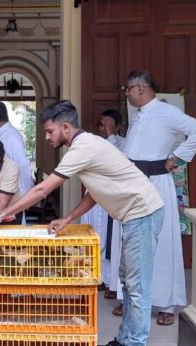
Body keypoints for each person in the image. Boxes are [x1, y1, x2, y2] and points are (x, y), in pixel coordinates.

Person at [0, 100, 164, 346]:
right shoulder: (88, 145)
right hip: (135, 215)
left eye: (50, 131)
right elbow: (95, 192)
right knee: (128, 281)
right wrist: (67, 218)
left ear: (65, 127)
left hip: (143, 213)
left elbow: (42, 190)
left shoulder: (82, 148)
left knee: (137, 286)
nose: (48, 137)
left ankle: (135, 343)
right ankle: (126, 339)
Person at [121, 70, 196, 326]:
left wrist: (178, 157)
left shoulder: (166, 112)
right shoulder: (138, 117)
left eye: (128, 89)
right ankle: (133, 300)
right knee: (131, 242)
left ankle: (166, 304)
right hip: (133, 183)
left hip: (156, 183)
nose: (126, 94)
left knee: (161, 243)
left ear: (140, 88)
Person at [82, 109, 127, 303]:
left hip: (113, 197)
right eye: (101, 125)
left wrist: (111, 135)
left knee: (111, 242)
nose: (103, 129)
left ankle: (111, 282)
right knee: (96, 238)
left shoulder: (124, 144)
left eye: (108, 124)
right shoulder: (93, 144)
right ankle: (98, 278)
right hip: (94, 197)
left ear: (117, 126)